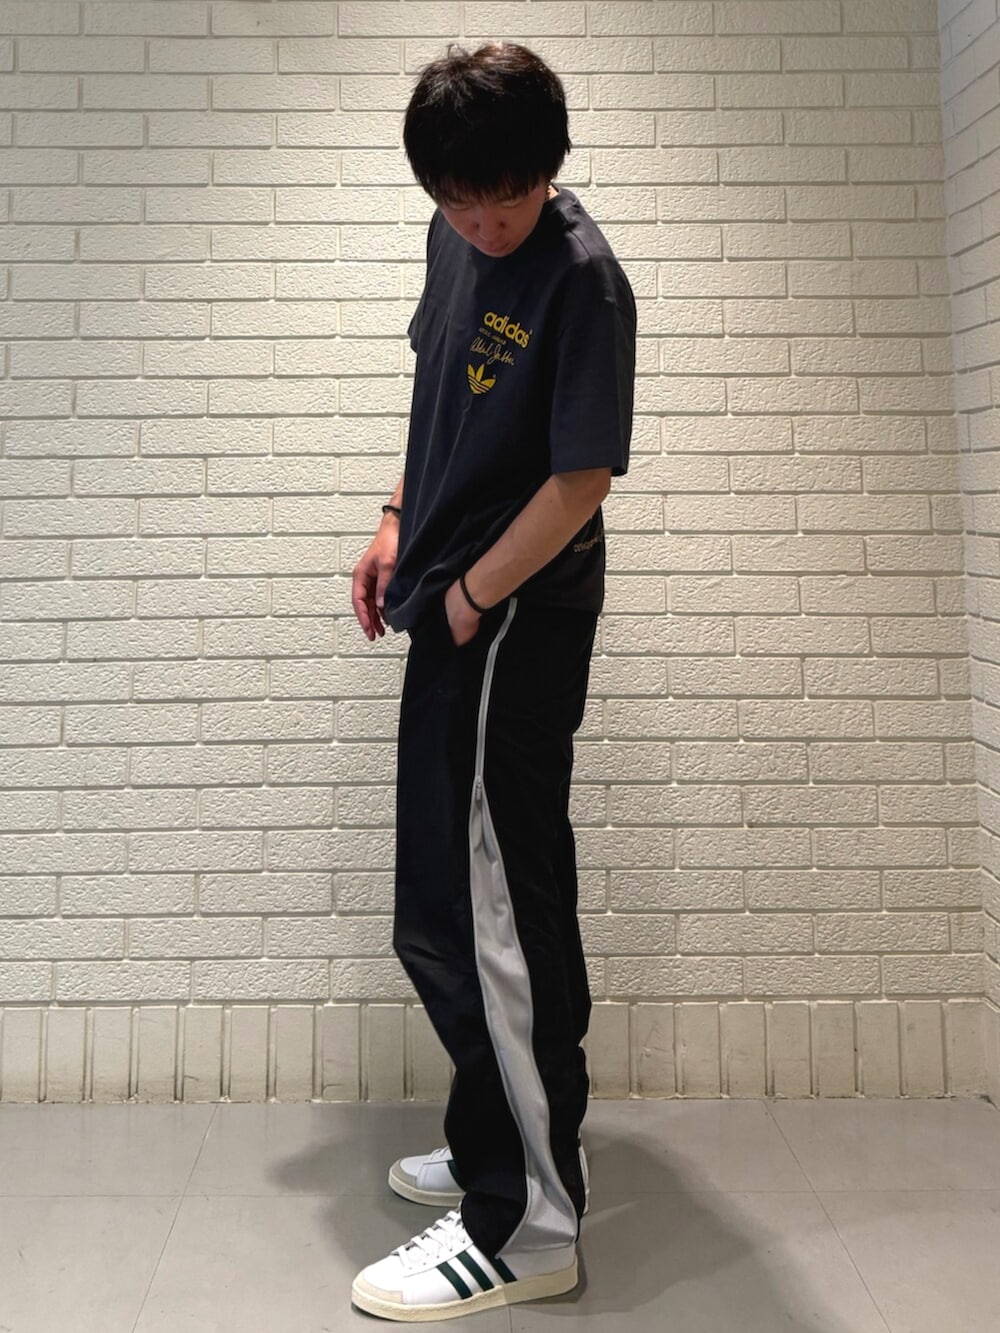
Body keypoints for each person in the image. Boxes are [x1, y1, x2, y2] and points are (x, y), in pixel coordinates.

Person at [349, 40, 636, 1322]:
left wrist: (470, 596)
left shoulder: (582, 279)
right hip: (454, 596)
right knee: (451, 897)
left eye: (504, 200)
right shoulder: (453, 234)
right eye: (458, 201)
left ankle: (523, 1222)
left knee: (489, 908)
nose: (482, 224)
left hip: (511, 617)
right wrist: (395, 517)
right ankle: (502, 1135)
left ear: (547, 169)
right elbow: (438, 392)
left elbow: (581, 480)